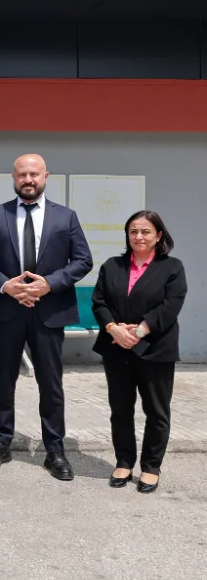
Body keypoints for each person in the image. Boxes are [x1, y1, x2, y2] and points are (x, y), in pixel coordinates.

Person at [0, 153, 92, 481]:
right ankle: (1, 442)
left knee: (50, 383)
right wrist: (5, 285)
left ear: (45, 176)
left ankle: (55, 449)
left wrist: (48, 284)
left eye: (34, 174)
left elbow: (83, 260)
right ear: (13, 178)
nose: (28, 179)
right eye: (22, 174)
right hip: (7, 310)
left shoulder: (65, 217)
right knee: (3, 379)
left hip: (49, 311)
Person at [91, 211, 186, 494]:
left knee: (156, 411)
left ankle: (151, 467)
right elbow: (99, 302)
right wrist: (114, 330)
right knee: (120, 409)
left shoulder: (172, 267)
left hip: (156, 349)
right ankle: (124, 462)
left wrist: (138, 332)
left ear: (158, 235)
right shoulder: (112, 265)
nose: (139, 236)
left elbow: (171, 306)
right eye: (133, 231)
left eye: (145, 231)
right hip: (116, 348)